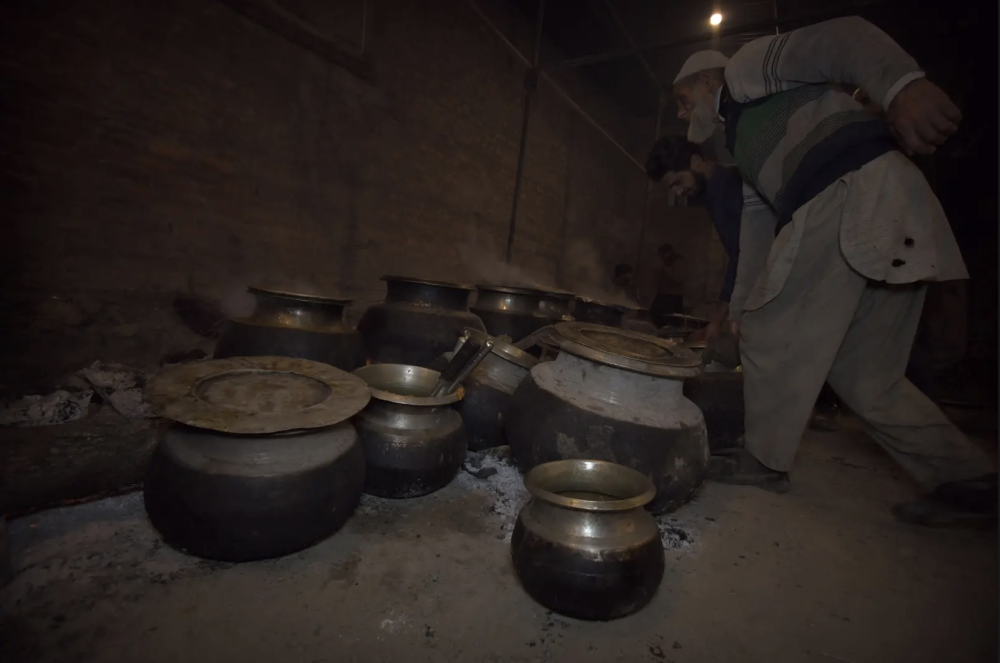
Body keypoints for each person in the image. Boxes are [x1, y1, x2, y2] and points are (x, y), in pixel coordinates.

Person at [669, 16, 995, 527]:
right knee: (866, 378)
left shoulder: (747, 69)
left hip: (845, 190)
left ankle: (763, 461)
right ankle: (970, 480)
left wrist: (902, 85)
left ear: (709, 80)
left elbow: (841, 38)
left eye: (684, 97)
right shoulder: (744, 145)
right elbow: (757, 229)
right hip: (889, 202)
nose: (682, 110)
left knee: (771, 325)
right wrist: (736, 311)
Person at [645, 137, 742, 340]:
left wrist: (717, 320)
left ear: (696, 162)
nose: (678, 192)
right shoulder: (715, 194)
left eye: (678, 182)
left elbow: (743, 256)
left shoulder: (730, 190)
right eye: (671, 188)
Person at [649, 243, 685, 325]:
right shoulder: (665, 262)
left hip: (672, 297)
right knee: (655, 317)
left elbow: (678, 278)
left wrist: (666, 269)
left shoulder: (678, 262)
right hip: (662, 295)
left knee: (669, 321)